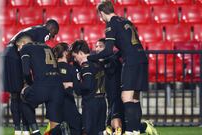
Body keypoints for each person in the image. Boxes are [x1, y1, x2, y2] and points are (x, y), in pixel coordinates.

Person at [88, 1, 158, 135]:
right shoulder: (125, 21)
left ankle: (132, 131)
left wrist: (90, 58)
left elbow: (108, 50)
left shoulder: (111, 24)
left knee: (126, 97)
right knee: (135, 98)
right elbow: (128, 45)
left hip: (131, 61)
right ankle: (136, 129)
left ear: (101, 13)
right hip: (141, 58)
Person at [20, 20, 69, 135]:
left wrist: (29, 85)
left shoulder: (27, 48)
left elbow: (26, 72)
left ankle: (36, 132)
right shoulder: (49, 49)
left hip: (42, 86)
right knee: (54, 123)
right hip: (58, 87)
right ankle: (60, 129)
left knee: (23, 99)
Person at [65, 40, 107, 135]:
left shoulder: (86, 65)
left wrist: (72, 84)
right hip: (102, 101)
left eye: (75, 56)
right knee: (99, 131)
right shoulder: (98, 63)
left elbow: (87, 85)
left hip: (91, 104)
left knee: (87, 131)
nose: (75, 59)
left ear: (80, 53)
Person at [3, 34, 33, 135]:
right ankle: (23, 128)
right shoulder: (18, 52)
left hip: (11, 70)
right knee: (21, 98)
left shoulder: (9, 49)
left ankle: (18, 128)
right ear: (23, 43)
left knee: (15, 98)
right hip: (16, 71)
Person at [94, 38, 123, 135]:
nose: (97, 49)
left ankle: (144, 126)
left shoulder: (112, 61)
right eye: (96, 46)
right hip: (109, 95)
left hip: (116, 94)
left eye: (100, 46)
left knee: (115, 118)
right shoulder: (102, 61)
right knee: (110, 121)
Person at [52, 42, 82, 135]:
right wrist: (71, 84)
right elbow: (78, 90)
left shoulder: (50, 68)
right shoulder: (71, 69)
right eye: (69, 51)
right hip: (67, 103)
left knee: (54, 129)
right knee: (77, 126)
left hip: (52, 104)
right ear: (65, 53)